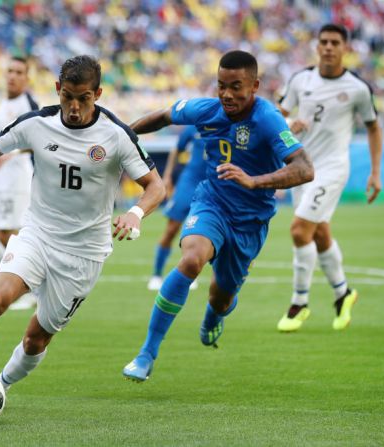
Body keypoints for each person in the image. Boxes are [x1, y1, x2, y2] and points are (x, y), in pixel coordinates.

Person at [0, 55, 165, 409]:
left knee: (36, 339)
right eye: (67, 96)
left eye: (83, 98)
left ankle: (0, 386)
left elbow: (155, 187)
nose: (74, 107)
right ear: (57, 89)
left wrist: (135, 213)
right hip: (38, 234)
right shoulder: (36, 124)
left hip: (84, 254)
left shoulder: (117, 136)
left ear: (98, 94)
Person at [122, 50, 314, 382]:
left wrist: (254, 180)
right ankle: (146, 353)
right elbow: (165, 116)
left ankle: (214, 315)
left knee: (221, 297)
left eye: (236, 87)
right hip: (211, 202)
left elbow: (304, 168)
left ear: (254, 86)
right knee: (192, 259)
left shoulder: (268, 118)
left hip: (250, 221)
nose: (226, 94)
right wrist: (121, 135)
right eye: (221, 85)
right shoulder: (208, 109)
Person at [276, 24, 383, 332]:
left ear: (345, 48)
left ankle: (299, 303)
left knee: (299, 231)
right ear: (317, 46)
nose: (328, 47)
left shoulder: (357, 88)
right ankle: (343, 294)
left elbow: (374, 127)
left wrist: (375, 172)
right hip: (301, 168)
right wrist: (288, 124)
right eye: (323, 42)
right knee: (319, 233)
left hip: (333, 168)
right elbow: (276, 114)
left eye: (335, 42)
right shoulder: (300, 79)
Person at [0, 56, 39, 310]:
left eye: (18, 72)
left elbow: (36, 141)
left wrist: (10, 153)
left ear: (26, 78)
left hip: (16, 178)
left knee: (7, 235)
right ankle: (16, 283)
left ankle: (28, 289)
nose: (13, 76)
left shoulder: (29, 105)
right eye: (10, 71)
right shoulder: (3, 105)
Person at [147, 125, 206, 291]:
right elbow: (177, 149)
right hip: (189, 182)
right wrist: (167, 177)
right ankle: (157, 274)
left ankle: (189, 274)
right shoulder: (195, 126)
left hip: (212, 184)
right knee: (172, 229)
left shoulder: (229, 123)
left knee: (199, 232)